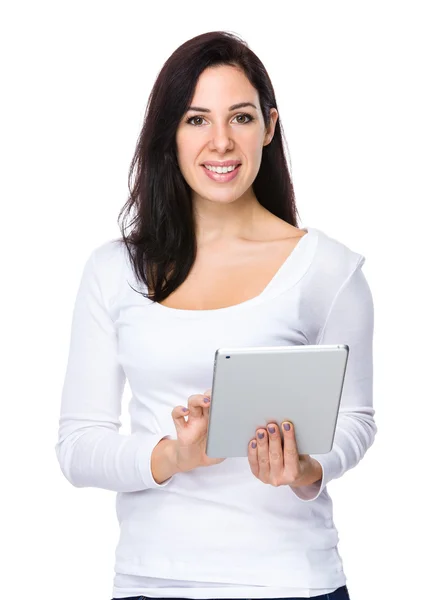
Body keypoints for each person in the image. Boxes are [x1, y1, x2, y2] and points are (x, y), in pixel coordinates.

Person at [55, 30, 376, 600]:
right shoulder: (113, 271)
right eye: (197, 119)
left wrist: (305, 469)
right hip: (152, 582)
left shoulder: (327, 270)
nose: (221, 142)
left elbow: (356, 419)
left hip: (292, 582)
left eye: (242, 118)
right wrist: (172, 456)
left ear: (270, 127)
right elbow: (79, 446)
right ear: (169, 135)